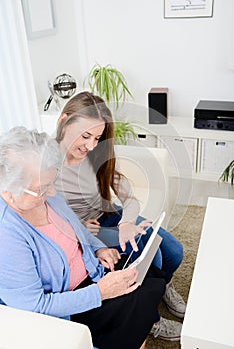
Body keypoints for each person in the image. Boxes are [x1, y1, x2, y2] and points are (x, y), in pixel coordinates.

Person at [0, 126, 168, 349]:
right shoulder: (7, 235)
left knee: (148, 274)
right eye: (43, 189)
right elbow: (34, 306)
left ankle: (144, 326)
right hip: (71, 304)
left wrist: (99, 249)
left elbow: (74, 229)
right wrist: (100, 292)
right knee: (137, 299)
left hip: (92, 272)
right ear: (8, 191)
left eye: (52, 183)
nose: (52, 193)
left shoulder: (43, 193)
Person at [55, 91, 185, 341]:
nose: (92, 145)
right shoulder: (47, 165)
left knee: (174, 251)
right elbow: (48, 219)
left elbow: (129, 198)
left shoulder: (94, 155)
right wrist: (80, 229)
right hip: (86, 233)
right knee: (151, 256)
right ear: (64, 121)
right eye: (85, 136)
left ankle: (161, 288)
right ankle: (149, 320)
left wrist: (126, 222)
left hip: (110, 216)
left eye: (97, 137)